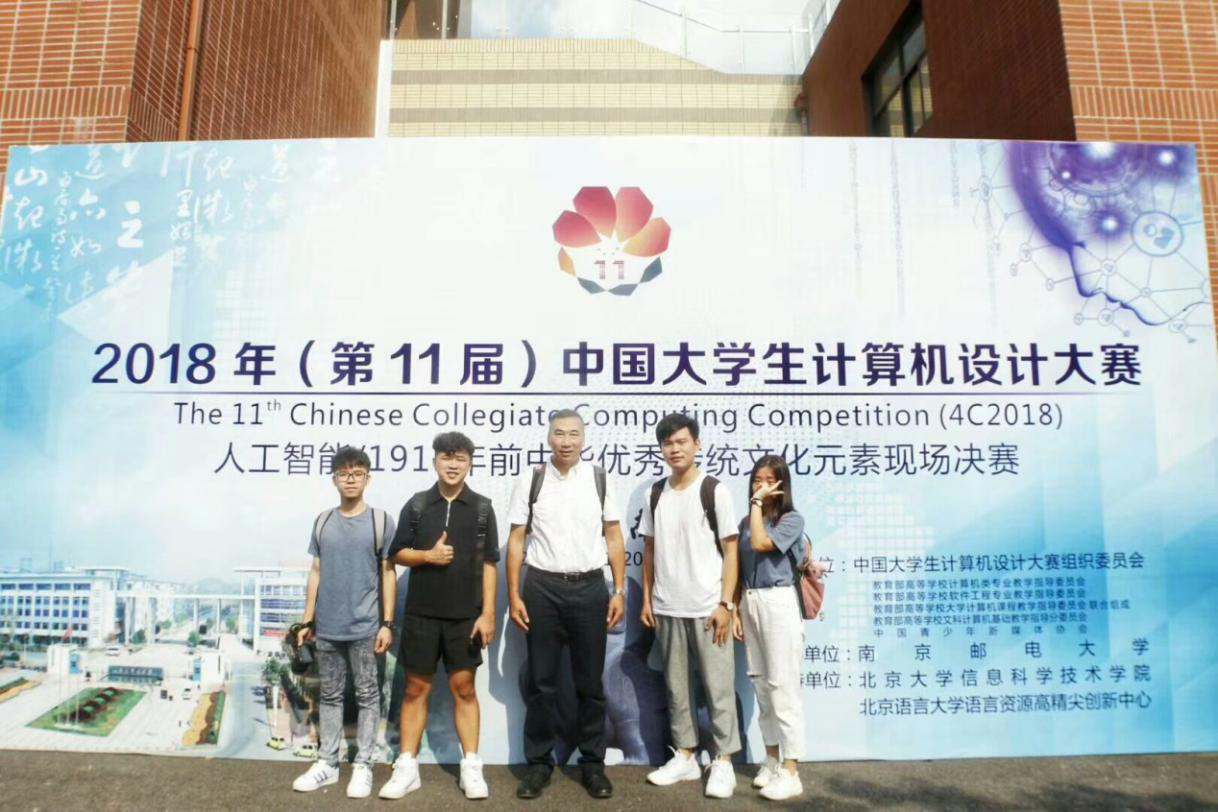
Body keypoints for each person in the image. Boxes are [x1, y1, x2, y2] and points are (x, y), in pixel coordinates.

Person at [506, 409, 627, 800]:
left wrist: (619, 590)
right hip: (542, 588)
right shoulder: (532, 479)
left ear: (584, 439)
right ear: (548, 438)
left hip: (590, 588)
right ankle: (539, 765)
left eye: (574, 434)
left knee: (590, 684)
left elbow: (614, 536)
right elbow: (517, 540)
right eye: (559, 433)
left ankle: (593, 765)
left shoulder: (599, 478)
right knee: (542, 683)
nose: (566, 441)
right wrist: (514, 594)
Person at [378, 432, 499, 800]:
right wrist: (427, 556)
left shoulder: (482, 508)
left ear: (470, 463)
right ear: (434, 461)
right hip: (421, 616)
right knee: (416, 690)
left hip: (465, 618)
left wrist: (488, 614)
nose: (453, 464)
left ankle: (472, 767)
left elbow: (490, 564)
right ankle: (407, 767)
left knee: (465, 690)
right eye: (446, 457)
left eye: (460, 458)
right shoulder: (417, 505)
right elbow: (397, 554)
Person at [639, 413, 740, 799]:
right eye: (668, 443)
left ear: (697, 444)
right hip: (667, 607)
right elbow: (649, 550)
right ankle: (685, 756)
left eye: (682, 441)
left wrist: (726, 603)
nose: (675, 449)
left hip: (708, 607)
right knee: (676, 688)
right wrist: (647, 598)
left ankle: (724, 760)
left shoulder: (714, 490)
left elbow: (731, 550)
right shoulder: (655, 493)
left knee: (718, 688)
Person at [292, 446, 397, 799]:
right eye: (343, 473)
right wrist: (307, 620)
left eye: (357, 473)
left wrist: (387, 622)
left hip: (366, 626)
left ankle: (364, 764)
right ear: (334, 479)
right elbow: (316, 571)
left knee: (367, 695)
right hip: (328, 627)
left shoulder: (380, 521)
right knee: (330, 695)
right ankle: (328, 763)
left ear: (368, 478)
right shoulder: (322, 521)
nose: (350, 479)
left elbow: (389, 573)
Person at [731, 454, 806, 801]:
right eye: (756, 479)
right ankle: (772, 759)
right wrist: (734, 607)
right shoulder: (747, 521)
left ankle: (791, 770)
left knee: (783, 688)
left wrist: (758, 503)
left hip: (778, 602)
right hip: (751, 601)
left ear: (781, 484)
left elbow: (763, 544)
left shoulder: (792, 519)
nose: (760, 485)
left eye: (768, 480)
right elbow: (738, 564)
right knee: (761, 686)